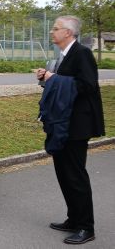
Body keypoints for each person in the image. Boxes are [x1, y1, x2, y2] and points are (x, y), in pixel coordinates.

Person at [36, 15, 104, 245]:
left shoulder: (81, 53)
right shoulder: (64, 56)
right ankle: (74, 218)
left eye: (56, 29)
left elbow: (87, 85)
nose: (52, 32)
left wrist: (54, 78)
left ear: (68, 32)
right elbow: (62, 84)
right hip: (63, 123)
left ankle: (87, 227)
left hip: (77, 125)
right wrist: (47, 79)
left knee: (75, 176)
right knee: (64, 174)